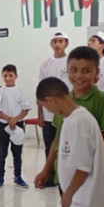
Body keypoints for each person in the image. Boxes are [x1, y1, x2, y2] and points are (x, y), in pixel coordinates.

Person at [34, 46, 104, 207]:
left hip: (84, 187)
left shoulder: (92, 108)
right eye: (74, 70)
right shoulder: (67, 105)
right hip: (71, 181)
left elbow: (89, 160)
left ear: (97, 73)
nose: (79, 76)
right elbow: (58, 140)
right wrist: (47, 169)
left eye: (86, 70)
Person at [0, 64, 32, 188]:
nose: (8, 78)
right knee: (2, 153)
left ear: (16, 76)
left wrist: (16, 119)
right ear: (2, 76)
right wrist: (9, 119)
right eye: (5, 76)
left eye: (10, 75)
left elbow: (25, 109)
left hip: (17, 125)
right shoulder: (0, 92)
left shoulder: (21, 91)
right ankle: (0, 177)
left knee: (17, 153)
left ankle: (18, 176)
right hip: (3, 125)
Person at [35, 31, 71, 165]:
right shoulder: (45, 64)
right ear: (51, 44)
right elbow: (40, 90)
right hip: (49, 114)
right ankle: (49, 174)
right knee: (50, 146)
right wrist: (40, 113)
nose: (57, 44)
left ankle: (64, 174)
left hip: (67, 113)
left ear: (66, 43)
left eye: (61, 41)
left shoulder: (71, 63)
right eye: (55, 41)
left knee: (67, 147)